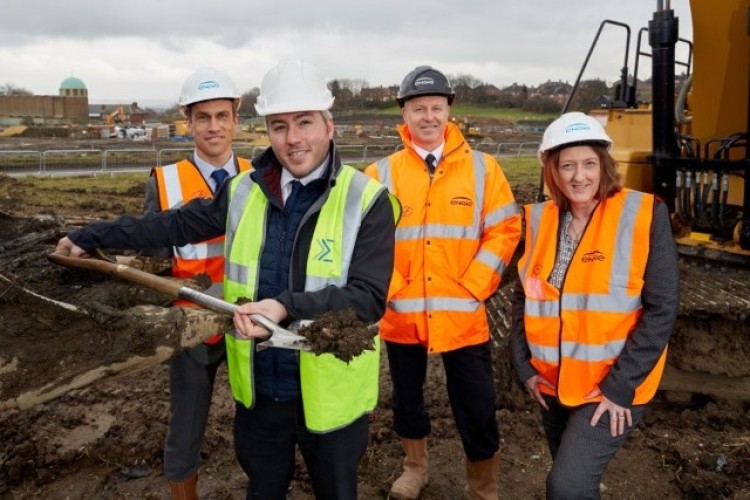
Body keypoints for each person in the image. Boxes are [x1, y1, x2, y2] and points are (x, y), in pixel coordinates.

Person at [55, 59, 399, 500]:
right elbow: (168, 227)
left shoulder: (366, 200)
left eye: (304, 122)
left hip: (331, 399)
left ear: (329, 125)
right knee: (263, 489)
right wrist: (90, 235)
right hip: (260, 393)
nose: (293, 139)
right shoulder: (242, 191)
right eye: (279, 126)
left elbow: (368, 298)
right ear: (266, 131)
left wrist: (284, 306)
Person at [364, 65, 521, 500]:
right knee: (407, 400)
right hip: (403, 313)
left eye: (436, 107)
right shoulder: (381, 174)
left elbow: (505, 229)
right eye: (419, 109)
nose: (428, 116)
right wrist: (392, 288)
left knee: (477, 405)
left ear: (449, 109)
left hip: (462, 313)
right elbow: (368, 241)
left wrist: (473, 285)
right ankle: (414, 468)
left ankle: (482, 487)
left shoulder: (483, 170)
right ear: (405, 113)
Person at [510, 112, 679, 499]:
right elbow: (524, 294)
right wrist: (524, 366)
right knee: (574, 482)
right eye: (567, 165)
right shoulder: (540, 220)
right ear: (552, 171)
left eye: (588, 164)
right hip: (551, 383)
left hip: (611, 385)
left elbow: (662, 308)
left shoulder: (642, 215)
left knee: (565, 486)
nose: (578, 176)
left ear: (604, 164)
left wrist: (620, 387)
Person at [144, 67, 251, 499]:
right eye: (202, 117)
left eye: (221, 116)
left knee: (261, 420)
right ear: (188, 121)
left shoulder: (257, 176)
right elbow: (153, 256)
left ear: (235, 120)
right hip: (191, 324)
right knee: (186, 424)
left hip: (248, 320)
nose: (213, 126)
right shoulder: (165, 182)